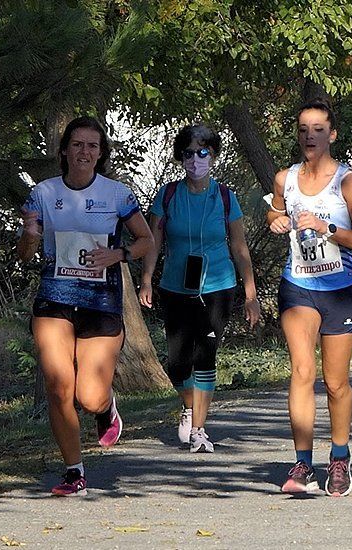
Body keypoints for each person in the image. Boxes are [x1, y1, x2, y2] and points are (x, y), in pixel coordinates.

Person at [17, 116, 154, 496]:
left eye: (92, 146)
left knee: (88, 396)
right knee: (59, 385)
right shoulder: (42, 194)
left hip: (100, 302)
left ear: (101, 153)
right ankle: (74, 472)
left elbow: (146, 240)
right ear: (64, 150)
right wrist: (29, 236)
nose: (84, 152)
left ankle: (106, 405)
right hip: (54, 299)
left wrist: (119, 254)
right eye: (77, 144)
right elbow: (25, 253)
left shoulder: (117, 195)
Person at [267, 99, 352, 497]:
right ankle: (302, 463)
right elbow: (275, 212)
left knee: (335, 383)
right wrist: (277, 220)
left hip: (340, 290)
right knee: (301, 371)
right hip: (298, 285)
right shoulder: (286, 178)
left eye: (317, 129)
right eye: (302, 129)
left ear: (331, 135)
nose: (309, 136)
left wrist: (328, 227)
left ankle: (340, 457)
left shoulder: (347, 183)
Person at [138, 125, 260, 453]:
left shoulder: (224, 197)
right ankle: (189, 406)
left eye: (202, 152)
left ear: (213, 156)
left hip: (218, 286)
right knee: (178, 362)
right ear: (181, 158)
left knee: (205, 355)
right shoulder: (167, 195)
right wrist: (147, 278)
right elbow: (154, 240)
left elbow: (239, 247)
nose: (195, 160)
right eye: (189, 153)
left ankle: (199, 430)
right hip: (176, 287)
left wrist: (250, 295)